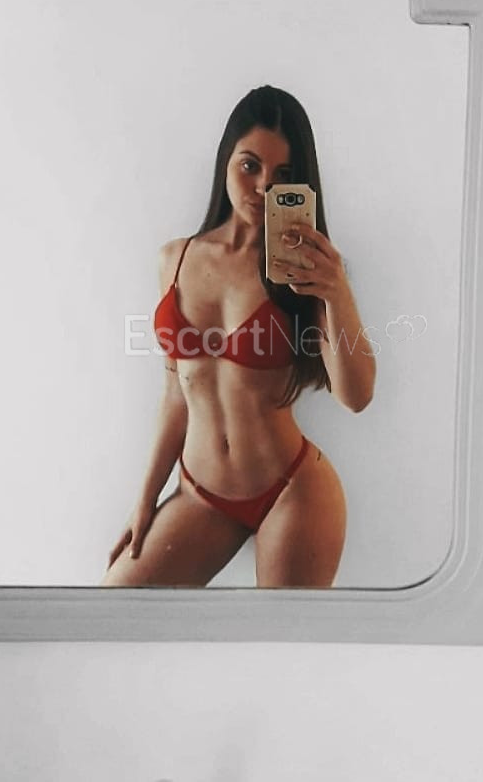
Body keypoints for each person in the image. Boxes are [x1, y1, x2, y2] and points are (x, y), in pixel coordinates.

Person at [101, 85, 375, 588]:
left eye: (283, 176)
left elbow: (356, 397)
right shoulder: (175, 259)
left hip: (292, 491)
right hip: (199, 495)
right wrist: (145, 499)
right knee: (115, 609)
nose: (263, 186)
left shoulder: (307, 270)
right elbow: (177, 395)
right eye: (250, 166)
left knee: (278, 640)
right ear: (225, 161)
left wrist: (337, 292)